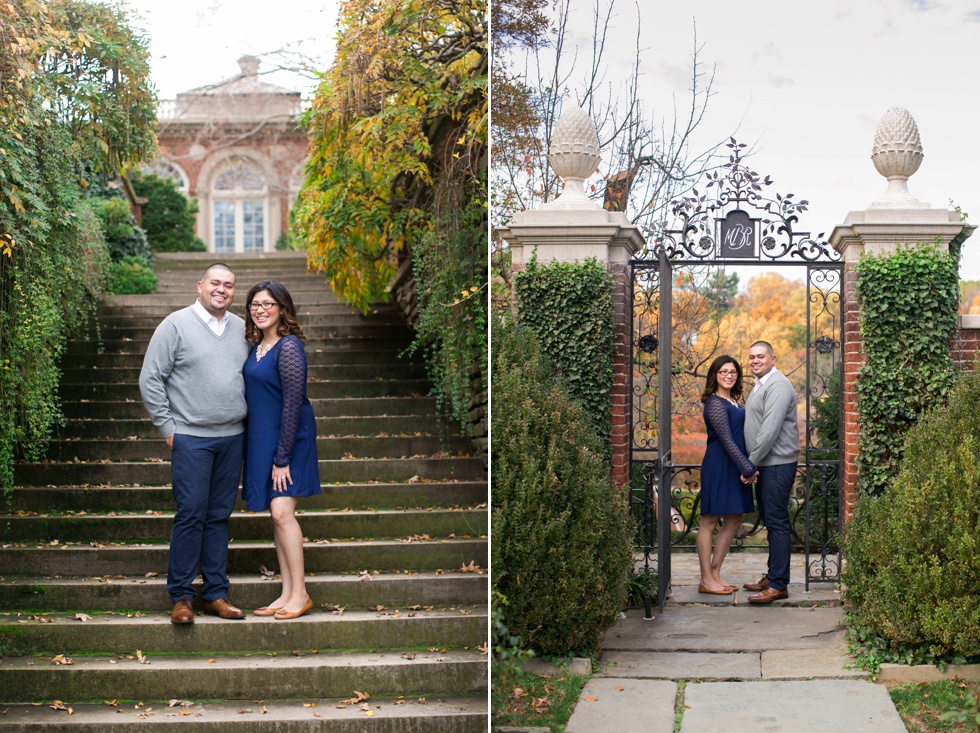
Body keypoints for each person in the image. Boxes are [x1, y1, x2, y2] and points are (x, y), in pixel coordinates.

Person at [139, 263, 249, 624]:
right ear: (200, 285)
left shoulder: (240, 329)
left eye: (229, 285)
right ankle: (182, 596)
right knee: (191, 515)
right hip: (191, 439)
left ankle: (215, 594)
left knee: (219, 517)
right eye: (215, 283)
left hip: (232, 438)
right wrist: (169, 429)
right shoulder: (175, 325)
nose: (222, 290)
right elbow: (150, 378)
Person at [242, 280, 321, 620]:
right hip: (261, 439)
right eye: (254, 305)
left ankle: (301, 594)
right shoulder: (257, 345)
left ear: (282, 309)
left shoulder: (289, 348)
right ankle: (286, 593)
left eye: (267, 304)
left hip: (289, 440)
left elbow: (292, 403)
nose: (259, 310)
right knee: (276, 518)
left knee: (282, 513)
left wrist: (282, 458)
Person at [742, 340, 801, 604]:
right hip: (766, 464)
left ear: (773, 359)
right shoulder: (761, 385)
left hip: (776, 464)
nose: (755, 361)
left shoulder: (777, 385)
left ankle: (779, 584)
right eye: (752, 357)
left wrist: (750, 463)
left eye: (761, 356)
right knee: (770, 519)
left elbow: (769, 430)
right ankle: (773, 575)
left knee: (777, 522)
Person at [696, 355, 758, 595]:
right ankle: (705, 579)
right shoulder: (714, 403)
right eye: (724, 372)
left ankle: (715, 573)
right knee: (709, 521)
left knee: (733, 520)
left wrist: (745, 465)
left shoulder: (733, 401)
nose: (729, 376)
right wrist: (749, 468)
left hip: (735, 465)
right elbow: (727, 441)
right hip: (719, 466)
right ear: (715, 375)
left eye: (733, 372)